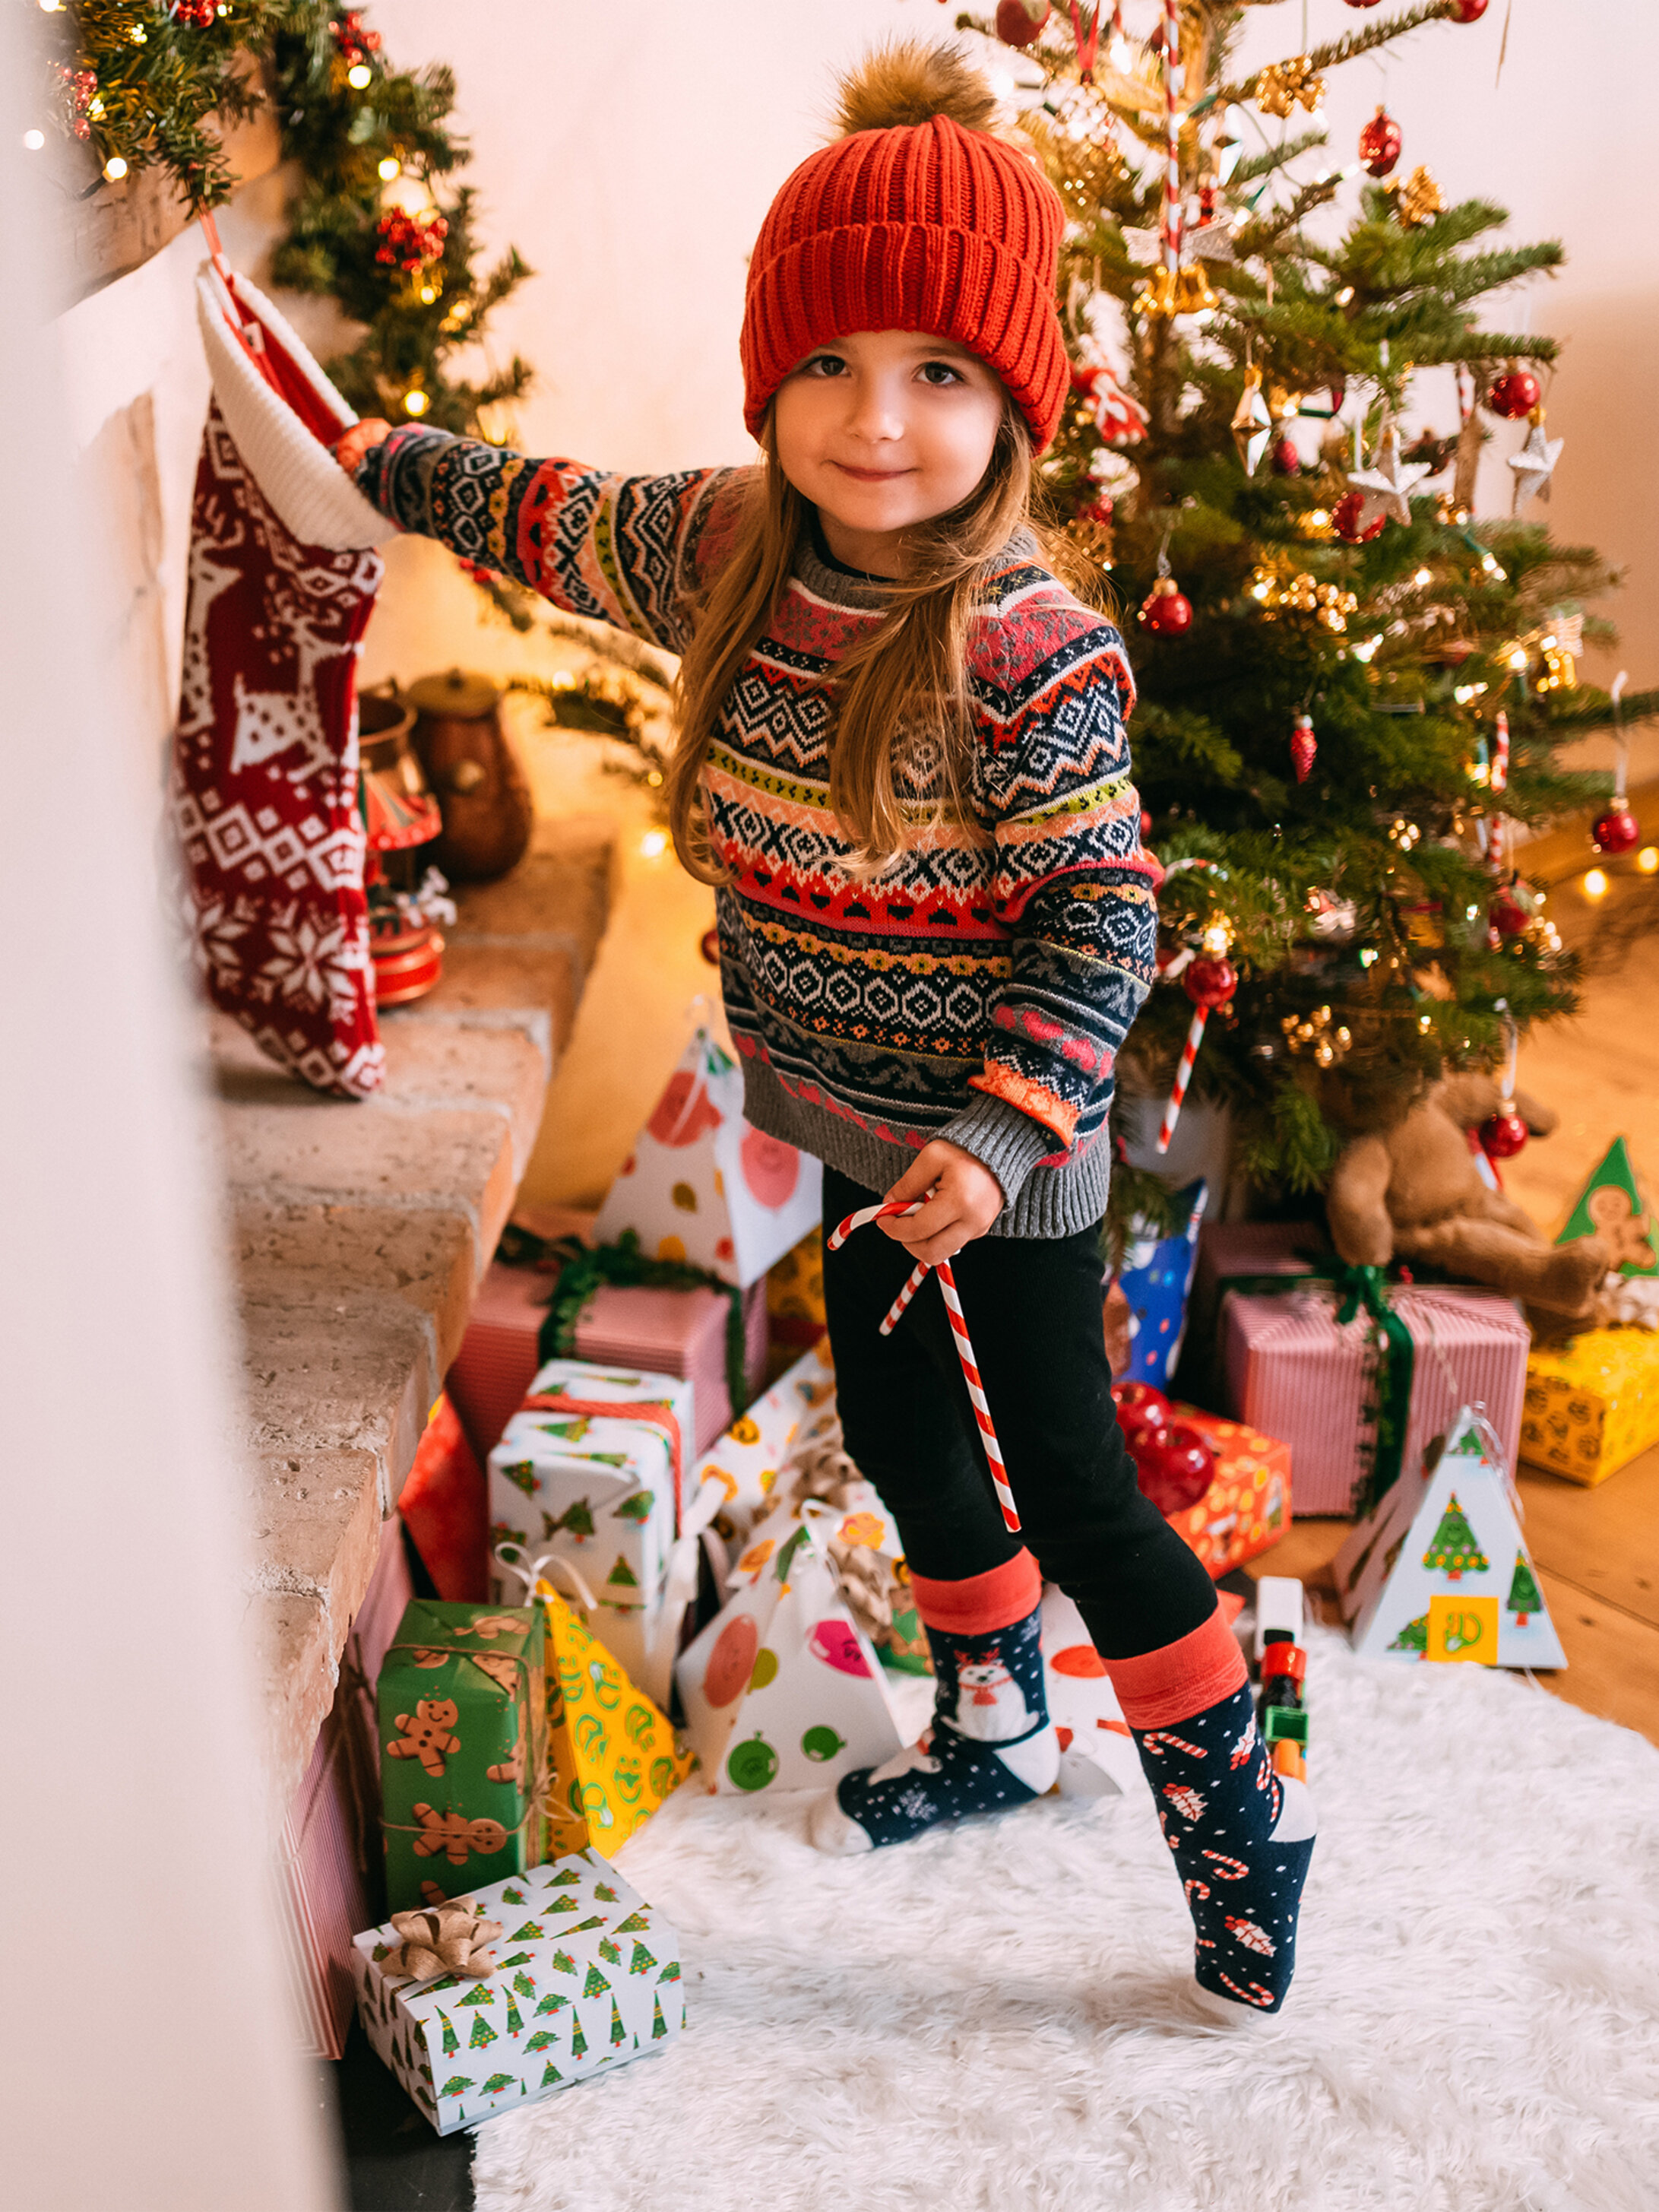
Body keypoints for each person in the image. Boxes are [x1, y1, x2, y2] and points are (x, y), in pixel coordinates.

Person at [337, 41, 1315, 2017]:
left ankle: (1240, 1822)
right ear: (770, 382)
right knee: (894, 1432)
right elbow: (544, 512)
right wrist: (369, 456)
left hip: (995, 1151)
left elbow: (1103, 917)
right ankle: (998, 1719)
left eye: (940, 372)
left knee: (1072, 1481)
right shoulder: (723, 550)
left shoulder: (1035, 658)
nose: (878, 422)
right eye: (831, 369)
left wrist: (1001, 1129)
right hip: (836, 1114)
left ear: (1012, 404)